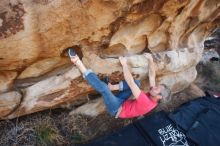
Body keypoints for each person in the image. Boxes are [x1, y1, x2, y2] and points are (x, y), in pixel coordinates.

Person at [68, 48, 171, 118]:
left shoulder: (146, 102)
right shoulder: (154, 95)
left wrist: (124, 65)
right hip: (123, 101)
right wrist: (150, 59)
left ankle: (77, 62)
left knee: (104, 89)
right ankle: (112, 87)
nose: (154, 87)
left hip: (116, 109)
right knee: (137, 83)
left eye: (157, 88)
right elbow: (152, 76)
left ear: (159, 97)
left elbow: (130, 83)